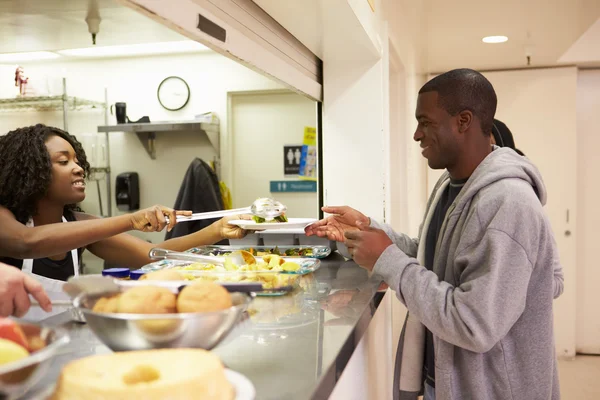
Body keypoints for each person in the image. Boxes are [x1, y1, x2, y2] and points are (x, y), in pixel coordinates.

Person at [306, 69, 563, 400]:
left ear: (463, 121)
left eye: (425, 122)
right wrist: (368, 230)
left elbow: (475, 323)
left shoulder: (510, 205)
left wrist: (387, 259)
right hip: (447, 381)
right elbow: (430, 259)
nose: (416, 135)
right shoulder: (450, 185)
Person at [0, 124, 248, 308]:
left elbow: (152, 255)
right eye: (63, 161)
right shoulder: (6, 218)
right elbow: (26, 242)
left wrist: (217, 229)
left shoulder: (77, 224)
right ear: (32, 172)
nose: (78, 168)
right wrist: (130, 219)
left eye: (77, 160)